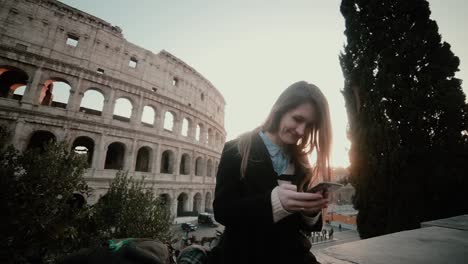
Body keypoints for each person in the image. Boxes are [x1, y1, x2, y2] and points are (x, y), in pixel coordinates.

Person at [210, 81, 333, 264]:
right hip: (243, 256)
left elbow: (305, 227)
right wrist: (274, 203)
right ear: (279, 110)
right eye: (297, 119)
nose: (301, 131)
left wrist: (311, 212)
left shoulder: (302, 161)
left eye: (309, 125)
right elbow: (222, 210)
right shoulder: (236, 149)